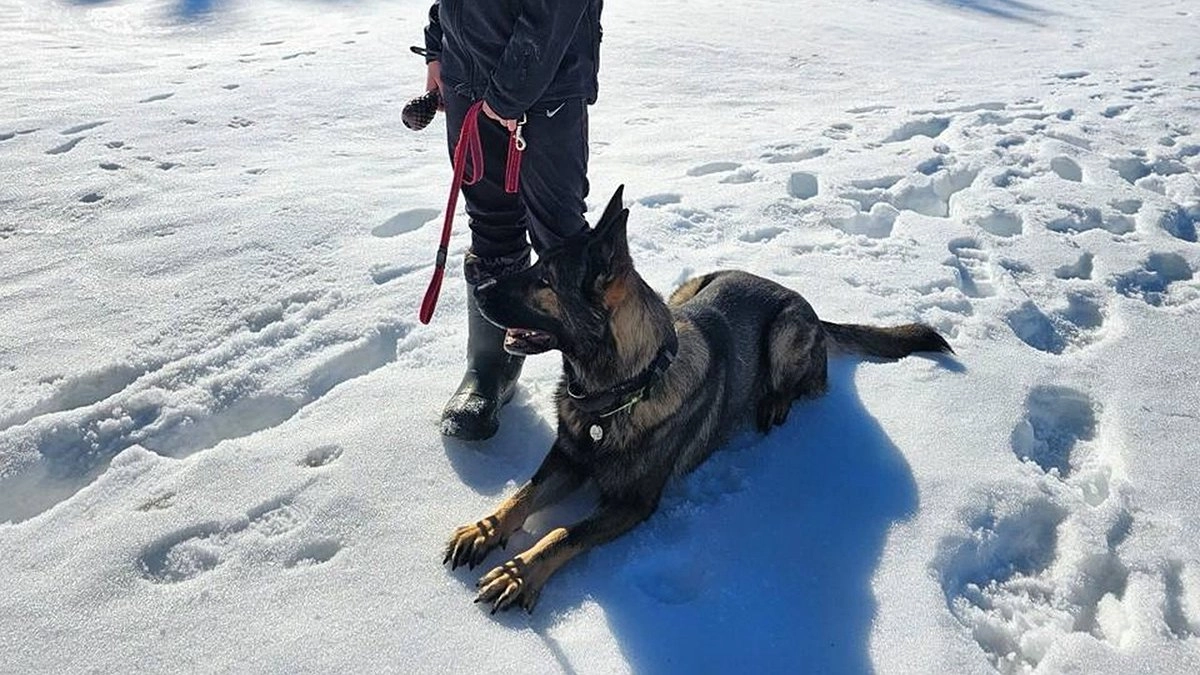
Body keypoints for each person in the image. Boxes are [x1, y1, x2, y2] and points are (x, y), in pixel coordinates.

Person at [422, 1, 604, 440]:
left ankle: (607, 381)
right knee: (490, 222)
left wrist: (508, 93)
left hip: (547, 89)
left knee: (560, 235)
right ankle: (489, 368)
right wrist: (438, 51)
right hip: (468, 83)